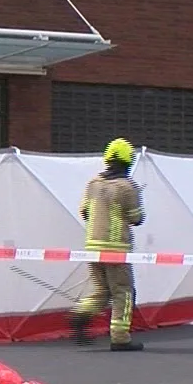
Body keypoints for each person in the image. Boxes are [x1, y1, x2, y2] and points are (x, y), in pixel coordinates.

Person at [68, 138, 147, 352]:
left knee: (102, 291)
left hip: (92, 246)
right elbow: (136, 218)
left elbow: (84, 212)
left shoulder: (93, 184)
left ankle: (81, 313)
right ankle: (120, 337)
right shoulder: (127, 186)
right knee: (124, 291)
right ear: (127, 162)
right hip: (116, 248)